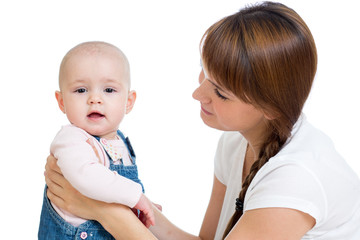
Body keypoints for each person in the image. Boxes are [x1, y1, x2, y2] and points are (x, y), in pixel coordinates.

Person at [44, 2, 360, 239]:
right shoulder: (235, 144)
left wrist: (103, 210)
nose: (198, 94)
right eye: (204, 72)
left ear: (270, 107)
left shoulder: (296, 180)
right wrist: (134, 206)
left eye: (219, 92)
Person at [38, 41, 154, 240]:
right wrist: (136, 197)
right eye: (81, 90)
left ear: (128, 101)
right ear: (62, 101)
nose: (94, 98)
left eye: (108, 90)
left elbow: (114, 190)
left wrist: (137, 208)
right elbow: (87, 176)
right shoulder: (72, 139)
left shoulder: (120, 142)